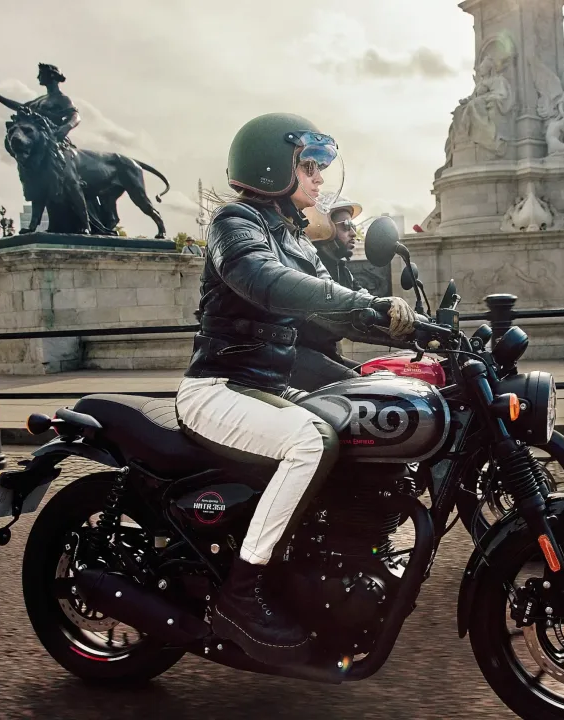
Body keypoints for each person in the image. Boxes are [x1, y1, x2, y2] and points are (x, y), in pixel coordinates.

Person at [175, 112, 416, 666]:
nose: (319, 178)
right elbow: (265, 280)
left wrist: (408, 327)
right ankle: (241, 595)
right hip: (219, 387)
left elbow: (330, 309)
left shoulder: (294, 237)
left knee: (366, 412)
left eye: (318, 167)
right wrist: (365, 303)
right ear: (272, 167)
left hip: (265, 388)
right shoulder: (235, 223)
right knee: (311, 441)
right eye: (308, 166)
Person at [290, 198, 366, 390]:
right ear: (322, 227)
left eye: (353, 226)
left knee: (381, 376)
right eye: (346, 226)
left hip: (325, 353)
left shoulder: (341, 269)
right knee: (363, 389)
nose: (353, 233)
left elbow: (364, 299)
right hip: (298, 354)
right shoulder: (309, 265)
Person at [0, 63, 80, 147]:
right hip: (36, 137)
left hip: (50, 138)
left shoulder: (62, 99)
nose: (38, 77)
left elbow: (75, 116)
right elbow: (20, 107)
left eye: (41, 74)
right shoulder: (40, 99)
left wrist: (67, 127)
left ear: (51, 75)